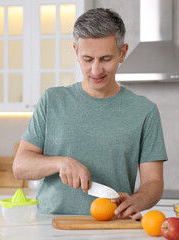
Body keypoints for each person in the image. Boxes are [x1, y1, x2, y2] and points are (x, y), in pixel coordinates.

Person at [13, 8, 167, 219]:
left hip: (113, 226)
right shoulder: (53, 100)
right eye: (87, 59)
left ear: (122, 53)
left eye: (105, 59)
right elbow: (20, 166)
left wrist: (137, 200)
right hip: (52, 226)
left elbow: (154, 182)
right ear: (76, 51)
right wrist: (60, 163)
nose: (96, 70)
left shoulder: (144, 111)